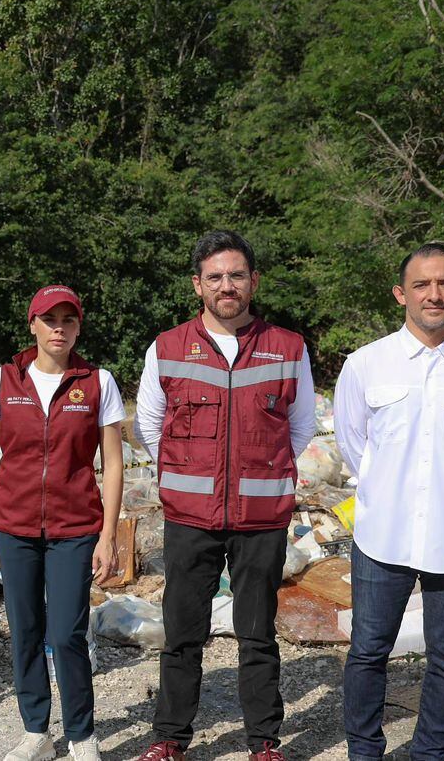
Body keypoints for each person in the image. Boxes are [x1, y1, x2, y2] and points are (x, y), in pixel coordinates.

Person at [133, 230, 315, 761]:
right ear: (198, 285)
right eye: (215, 277)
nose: (226, 285)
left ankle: (263, 742)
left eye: (236, 275)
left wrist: (266, 471)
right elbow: (149, 423)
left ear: (254, 281)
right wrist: (182, 475)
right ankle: (169, 737)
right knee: (181, 633)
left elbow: (299, 428)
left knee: (257, 634)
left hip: (261, 515)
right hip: (190, 515)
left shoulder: (287, 347)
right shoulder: (167, 347)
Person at [334, 244, 444, 760]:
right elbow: (354, 446)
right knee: (368, 652)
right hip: (381, 535)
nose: (433, 294)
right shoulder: (366, 364)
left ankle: (429, 753)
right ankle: (364, 752)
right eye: (421, 284)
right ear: (401, 294)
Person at [0, 285, 126, 761]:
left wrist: (109, 535)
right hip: (13, 525)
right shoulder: (6, 379)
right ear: (32, 324)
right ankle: (36, 732)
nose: (59, 328)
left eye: (68, 320)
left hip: (75, 528)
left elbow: (113, 464)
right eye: (49, 319)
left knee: (66, 633)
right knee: (26, 627)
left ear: (78, 327)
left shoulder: (98, 383)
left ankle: (81, 734)